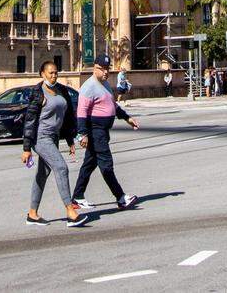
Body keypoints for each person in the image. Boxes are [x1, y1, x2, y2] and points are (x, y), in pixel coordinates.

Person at [21, 60, 88, 228]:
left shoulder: (61, 90)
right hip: (41, 138)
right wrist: (27, 148)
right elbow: (29, 121)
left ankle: (32, 214)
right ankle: (70, 212)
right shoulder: (38, 92)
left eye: (56, 72)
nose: (53, 75)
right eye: (50, 73)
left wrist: (70, 138)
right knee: (61, 167)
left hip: (54, 137)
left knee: (42, 174)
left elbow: (67, 117)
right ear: (42, 74)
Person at [72, 54, 140, 211]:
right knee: (106, 165)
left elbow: (113, 106)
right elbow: (81, 112)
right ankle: (121, 197)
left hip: (102, 131)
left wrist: (127, 118)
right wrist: (82, 134)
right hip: (95, 131)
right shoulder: (88, 87)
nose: (105, 72)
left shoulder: (105, 84)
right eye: (102, 69)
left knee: (89, 164)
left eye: (107, 69)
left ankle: (77, 197)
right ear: (95, 68)